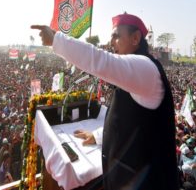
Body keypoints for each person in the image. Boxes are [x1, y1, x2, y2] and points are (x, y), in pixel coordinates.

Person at [31, 13, 179, 190]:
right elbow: (128, 123)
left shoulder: (146, 68)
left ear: (135, 38)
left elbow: (101, 60)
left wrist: (57, 39)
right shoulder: (133, 75)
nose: (111, 42)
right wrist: (98, 136)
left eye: (116, 36)